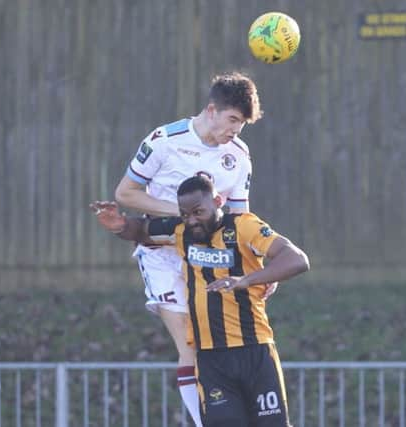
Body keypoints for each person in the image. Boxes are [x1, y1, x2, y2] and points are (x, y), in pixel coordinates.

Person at [91, 175, 310, 426]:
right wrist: (119, 225)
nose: (192, 220)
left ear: (217, 201)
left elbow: (297, 259)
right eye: (185, 214)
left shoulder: (244, 226)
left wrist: (246, 280)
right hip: (211, 360)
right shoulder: (181, 231)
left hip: (255, 352)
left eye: (198, 212)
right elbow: (141, 230)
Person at [113, 71, 266, 426]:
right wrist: (182, 212)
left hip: (210, 260)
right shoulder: (164, 141)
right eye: (232, 120)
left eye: (242, 124)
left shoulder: (239, 155)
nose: (236, 130)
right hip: (162, 254)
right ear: (211, 110)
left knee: (218, 347)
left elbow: (241, 219)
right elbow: (125, 194)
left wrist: (256, 267)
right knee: (190, 344)